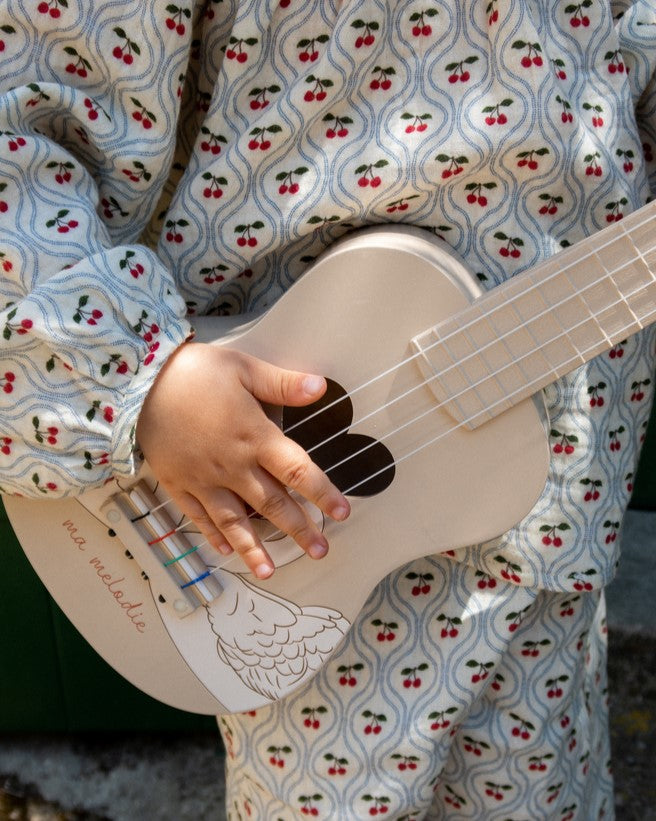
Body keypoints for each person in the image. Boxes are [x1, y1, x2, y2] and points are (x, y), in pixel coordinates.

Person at [1, 0, 655, 817]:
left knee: (540, 775)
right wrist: (143, 383)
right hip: (291, 519)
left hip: (561, 478)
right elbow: (23, 110)